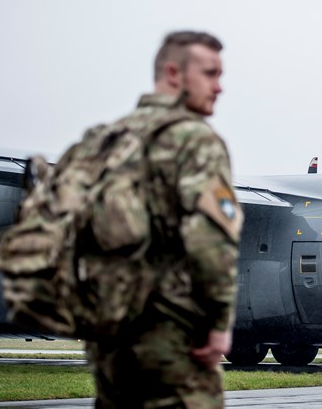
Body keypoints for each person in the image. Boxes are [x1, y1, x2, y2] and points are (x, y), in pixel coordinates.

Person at [86, 31, 243, 408]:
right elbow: (213, 238)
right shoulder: (196, 141)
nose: (219, 87)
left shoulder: (104, 140)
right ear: (174, 74)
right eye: (210, 74)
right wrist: (219, 325)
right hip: (171, 339)